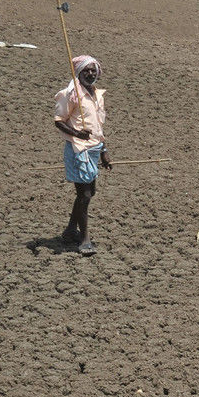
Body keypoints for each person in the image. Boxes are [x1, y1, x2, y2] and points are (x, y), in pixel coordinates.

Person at [54, 55, 112, 255]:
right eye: (86, 70)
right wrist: (77, 133)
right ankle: (84, 239)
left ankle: (71, 230)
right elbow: (59, 120)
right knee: (85, 195)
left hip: (94, 149)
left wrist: (104, 151)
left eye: (93, 70)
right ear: (78, 73)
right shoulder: (70, 94)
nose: (90, 73)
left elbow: (98, 127)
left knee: (88, 193)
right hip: (78, 149)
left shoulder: (97, 95)